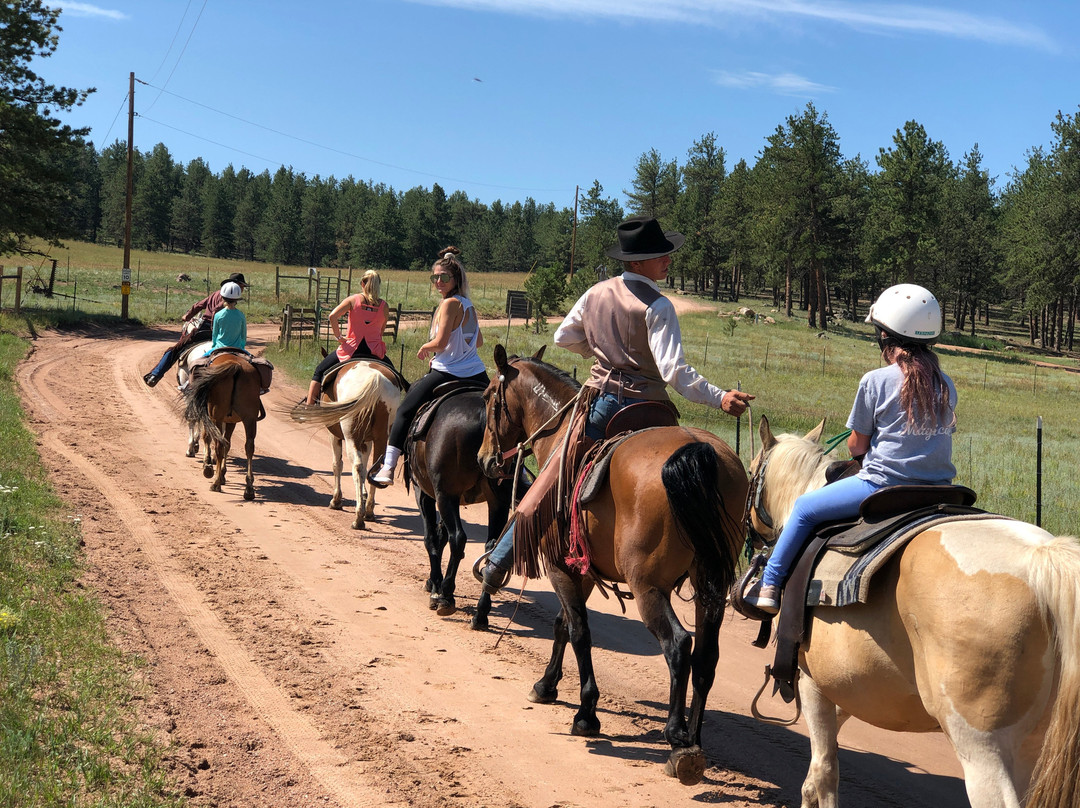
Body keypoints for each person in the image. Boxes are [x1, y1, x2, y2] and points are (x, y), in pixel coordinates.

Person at [478, 215, 755, 593]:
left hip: (603, 404)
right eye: (661, 255)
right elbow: (673, 371)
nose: (668, 260)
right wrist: (719, 397)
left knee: (555, 473)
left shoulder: (595, 293)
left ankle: (498, 561)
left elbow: (563, 337)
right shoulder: (658, 306)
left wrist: (605, 352)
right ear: (638, 262)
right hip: (651, 408)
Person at [745, 283, 958, 615]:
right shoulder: (946, 385)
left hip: (882, 484)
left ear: (885, 337)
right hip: (940, 489)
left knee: (803, 508)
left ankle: (769, 584)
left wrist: (868, 447)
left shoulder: (875, 380)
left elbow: (857, 444)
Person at [368, 246, 487, 487]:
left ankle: (388, 467)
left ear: (455, 279)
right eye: (435, 277)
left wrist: (426, 346)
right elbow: (480, 341)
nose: (438, 282)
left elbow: (441, 343)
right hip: (477, 373)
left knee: (404, 410)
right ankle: (521, 472)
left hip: (446, 372)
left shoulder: (448, 305)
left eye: (444, 277)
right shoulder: (468, 305)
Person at [144, 272, 249, 387]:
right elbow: (217, 310)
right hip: (216, 330)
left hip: (204, 329)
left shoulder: (215, 294)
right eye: (242, 286)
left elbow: (199, 305)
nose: (243, 289)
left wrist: (188, 316)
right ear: (236, 285)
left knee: (176, 349)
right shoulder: (229, 302)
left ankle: (155, 375)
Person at [304, 269, 392, 406]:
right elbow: (381, 330)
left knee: (319, 371)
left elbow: (332, 316)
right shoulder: (384, 306)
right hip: (374, 351)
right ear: (378, 284)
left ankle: (308, 407)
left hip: (352, 349)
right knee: (395, 377)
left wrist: (339, 336)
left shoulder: (353, 300)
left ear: (362, 284)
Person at [210, 282, 247, 351]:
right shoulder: (241, 315)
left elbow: (214, 334)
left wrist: (214, 346)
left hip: (220, 347)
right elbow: (243, 337)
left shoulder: (218, 315)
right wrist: (242, 348)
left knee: (202, 359)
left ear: (222, 298)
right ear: (237, 299)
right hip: (237, 348)